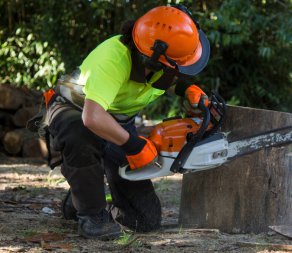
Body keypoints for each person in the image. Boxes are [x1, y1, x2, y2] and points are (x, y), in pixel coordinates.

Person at [43, 5, 210, 240]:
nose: (180, 69)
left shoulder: (159, 57)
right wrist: (133, 145)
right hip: (76, 109)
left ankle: (81, 198)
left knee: (145, 220)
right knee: (79, 135)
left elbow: (168, 79)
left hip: (117, 122)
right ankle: (91, 216)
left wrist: (187, 88)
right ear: (152, 59)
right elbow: (91, 116)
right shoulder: (112, 60)